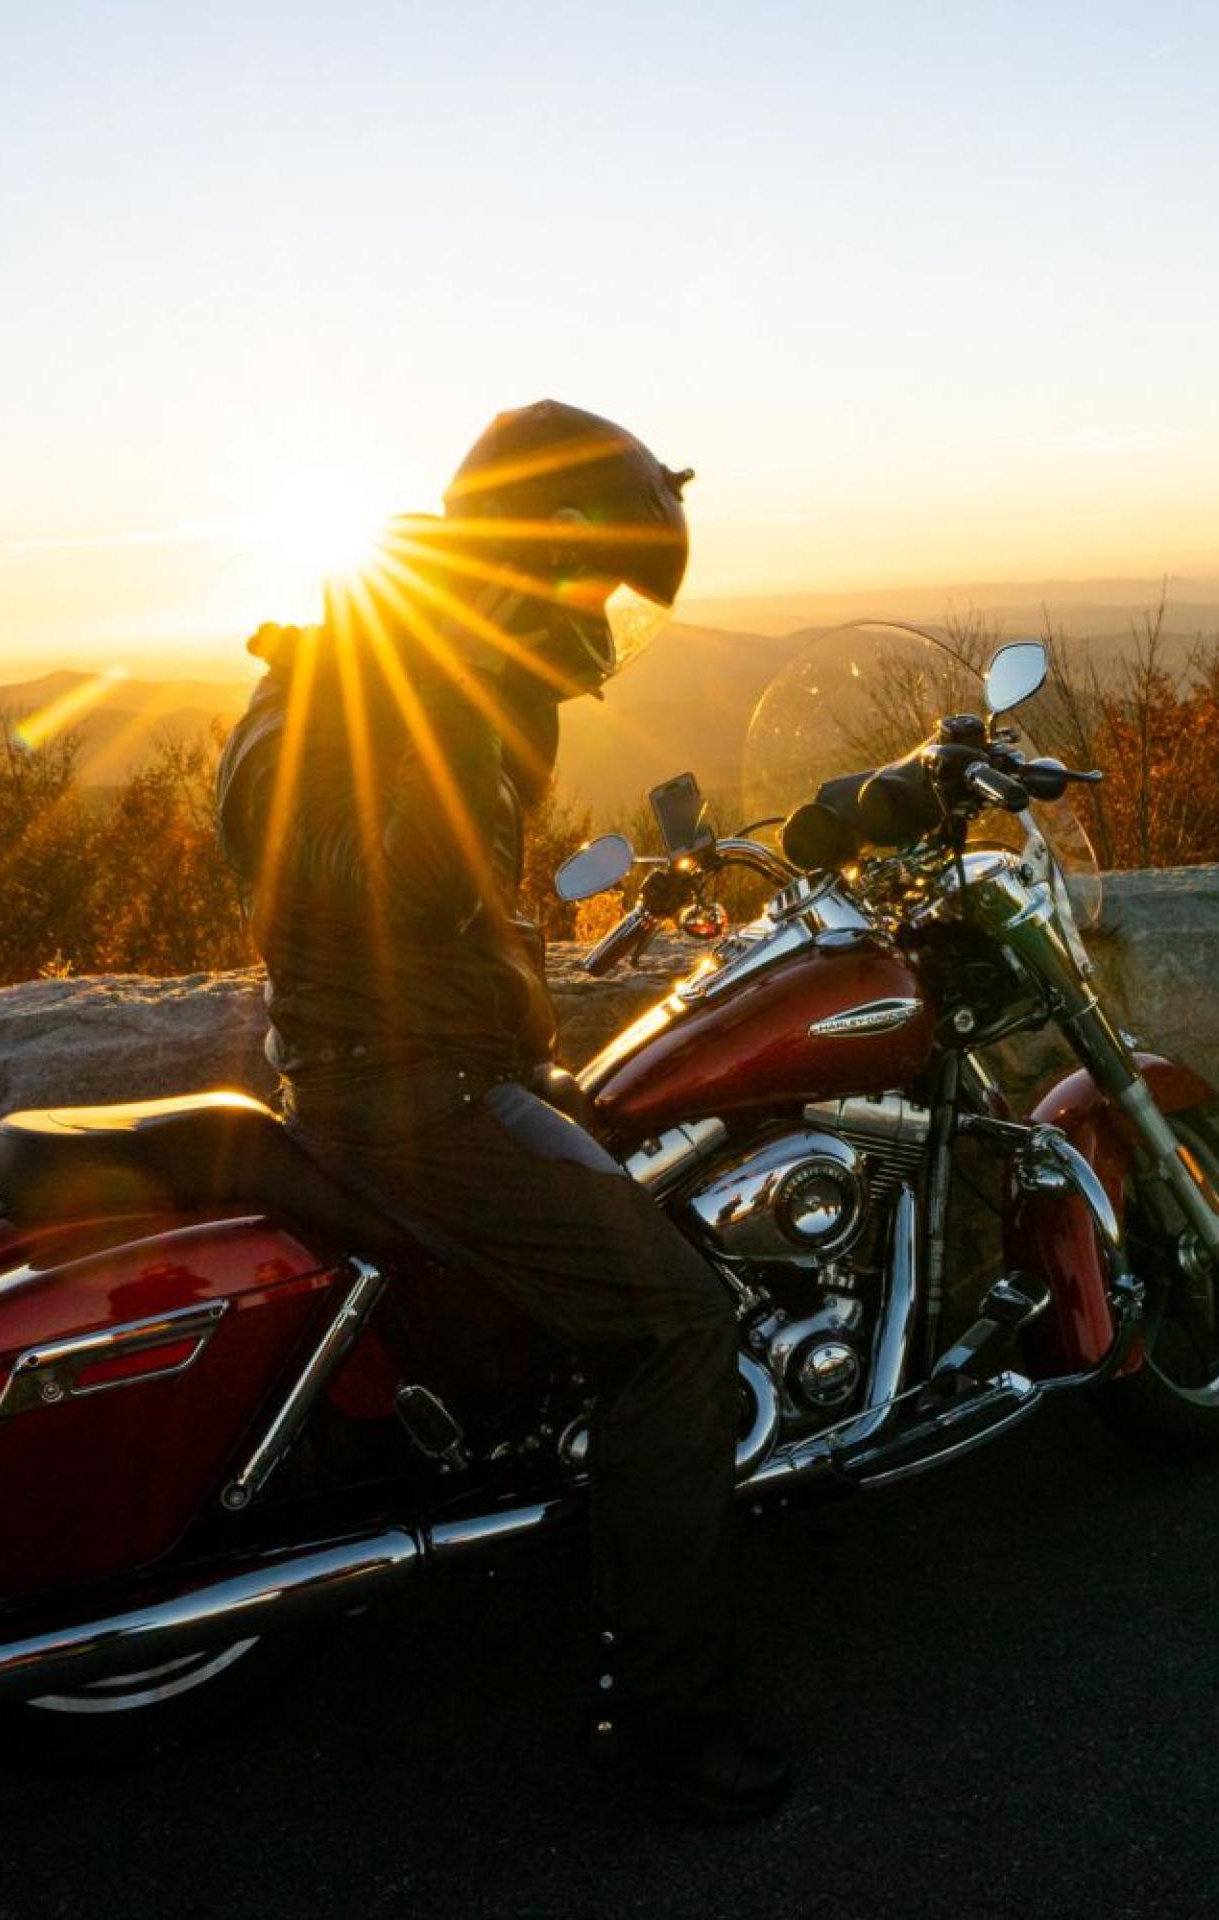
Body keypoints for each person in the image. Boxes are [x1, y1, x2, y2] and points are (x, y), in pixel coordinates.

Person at [216, 399, 788, 1823]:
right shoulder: (386, 666)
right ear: (543, 552)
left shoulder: (387, 655)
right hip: (414, 1099)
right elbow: (342, 860)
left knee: (637, 1182)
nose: (602, 629)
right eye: (596, 592)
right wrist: (461, 725)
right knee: (680, 1326)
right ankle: (665, 1726)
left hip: (422, 1073)